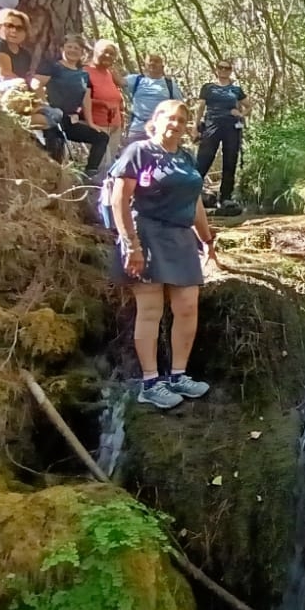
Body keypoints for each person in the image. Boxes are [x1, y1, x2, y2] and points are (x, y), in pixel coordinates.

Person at [107, 99, 216, 410]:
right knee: (150, 310)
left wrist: (207, 240)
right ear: (154, 121)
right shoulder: (139, 151)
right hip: (147, 233)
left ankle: (178, 375)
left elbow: (195, 202)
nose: (176, 124)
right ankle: (151, 383)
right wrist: (131, 244)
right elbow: (119, 199)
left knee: (187, 306)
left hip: (181, 237)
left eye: (182, 120)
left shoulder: (186, 157)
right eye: (170, 117)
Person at [34, 34, 110, 174]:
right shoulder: (53, 67)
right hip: (53, 118)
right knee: (54, 152)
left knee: (101, 137)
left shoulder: (84, 75)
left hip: (70, 120)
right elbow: (36, 83)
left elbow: (86, 98)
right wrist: (45, 106)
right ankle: (51, 179)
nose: (73, 50)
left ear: (82, 52)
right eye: (69, 47)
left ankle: (90, 173)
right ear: (62, 49)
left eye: (77, 48)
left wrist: (91, 122)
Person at [195, 59, 249, 214]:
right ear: (216, 69)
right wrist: (195, 126)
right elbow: (200, 107)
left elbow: (248, 105)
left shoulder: (236, 90)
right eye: (221, 68)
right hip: (211, 125)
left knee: (230, 160)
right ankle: (193, 191)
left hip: (231, 127)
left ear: (231, 70)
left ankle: (226, 197)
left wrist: (241, 114)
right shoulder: (208, 88)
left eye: (227, 68)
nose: (224, 70)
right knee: (204, 158)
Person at [85, 39, 126, 160]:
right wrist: (101, 103)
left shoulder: (109, 73)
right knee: (101, 164)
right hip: (96, 127)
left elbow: (120, 89)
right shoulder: (85, 72)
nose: (108, 55)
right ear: (95, 51)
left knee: (109, 164)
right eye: (105, 51)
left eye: (112, 54)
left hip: (115, 126)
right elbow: (77, 99)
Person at [125, 53, 184, 136]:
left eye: (156, 61)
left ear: (162, 67)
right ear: (145, 65)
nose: (152, 63)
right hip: (137, 129)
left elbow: (180, 106)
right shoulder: (135, 79)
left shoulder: (170, 84)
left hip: (161, 130)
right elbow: (117, 81)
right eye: (150, 61)